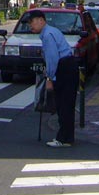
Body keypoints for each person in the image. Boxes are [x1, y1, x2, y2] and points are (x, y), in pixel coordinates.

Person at [29, 9, 79, 148]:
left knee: (63, 104)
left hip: (63, 68)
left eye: (32, 22)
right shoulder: (51, 31)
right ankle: (67, 138)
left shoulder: (48, 35)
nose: (30, 26)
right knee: (67, 104)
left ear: (41, 20)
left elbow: (52, 58)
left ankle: (63, 139)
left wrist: (50, 78)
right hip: (68, 66)